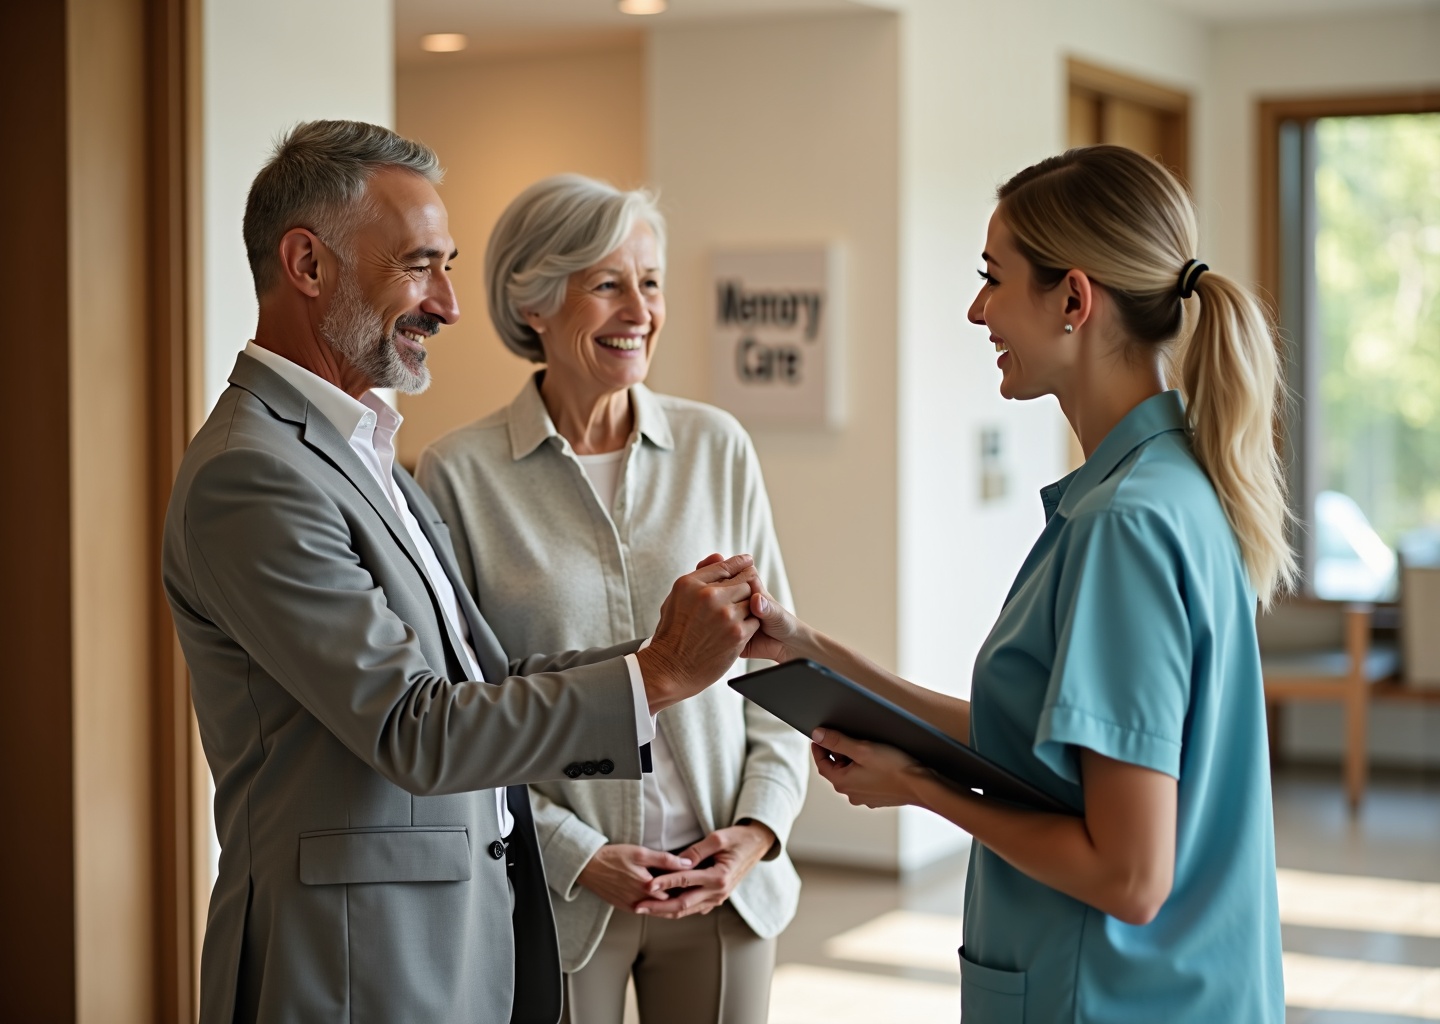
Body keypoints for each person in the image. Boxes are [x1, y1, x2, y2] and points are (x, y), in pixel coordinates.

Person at [162, 121, 764, 1024]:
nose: (447, 303)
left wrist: (662, 656)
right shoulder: (253, 473)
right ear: (308, 264)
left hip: (454, 937)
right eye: (419, 266)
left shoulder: (366, 453)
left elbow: (481, 683)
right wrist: (658, 673)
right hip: (353, 965)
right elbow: (416, 727)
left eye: (447, 266)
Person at [742, 145, 1294, 1022]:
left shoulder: (1125, 526)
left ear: (1073, 300)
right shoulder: (1169, 487)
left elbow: (1130, 875)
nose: (977, 309)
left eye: (992, 279)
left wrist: (919, 788)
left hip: (1109, 997)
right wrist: (818, 654)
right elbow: (1043, 750)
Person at [416, 174, 809, 1024]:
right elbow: (464, 707)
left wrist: (759, 830)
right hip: (561, 892)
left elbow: (780, 666)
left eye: (651, 281)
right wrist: (577, 852)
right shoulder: (458, 474)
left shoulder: (718, 447)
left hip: (724, 888)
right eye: (606, 283)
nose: (640, 309)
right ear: (533, 304)